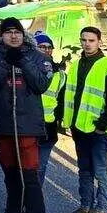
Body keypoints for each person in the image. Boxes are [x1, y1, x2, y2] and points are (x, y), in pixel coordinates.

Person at [0, 17, 53, 213]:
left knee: (29, 176)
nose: (13, 36)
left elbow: (41, 84)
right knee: (10, 175)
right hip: (3, 126)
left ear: (23, 34)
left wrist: (23, 61)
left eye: (16, 32)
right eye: (8, 32)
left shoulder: (37, 57)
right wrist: (5, 64)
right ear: (2, 36)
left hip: (27, 126)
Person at [57, 26, 107, 213]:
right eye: (84, 40)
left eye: (91, 40)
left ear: (99, 42)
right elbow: (68, 94)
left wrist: (102, 126)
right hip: (79, 127)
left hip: (97, 130)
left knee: (101, 172)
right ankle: (85, 207)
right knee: (85, 170)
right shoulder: (76, 65)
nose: (87, 44)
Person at [34, 32, 63, 188]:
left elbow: (62, 102)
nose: (46, 50)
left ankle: (35, 198)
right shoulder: (28, 69)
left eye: (49, 47)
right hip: (29, 126)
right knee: (26, 167)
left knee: (40, 167)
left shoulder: (60, 75)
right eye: (42, 46)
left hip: (48, 129)